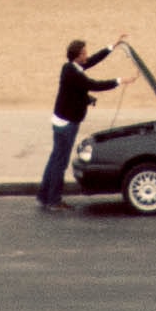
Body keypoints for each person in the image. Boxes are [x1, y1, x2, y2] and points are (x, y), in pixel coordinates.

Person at [37, 36, 115, 210]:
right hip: (67, 125)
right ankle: (54, 201)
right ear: (77, 56)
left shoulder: (69, 67)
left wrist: (111, 47)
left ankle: (43, 196)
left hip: (61, 121)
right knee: (60, 163)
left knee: (54, 160)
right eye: (84, 53)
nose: (87, 56)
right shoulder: (74, 74)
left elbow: (93, 61)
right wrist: (119, 81)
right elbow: (94, 85)